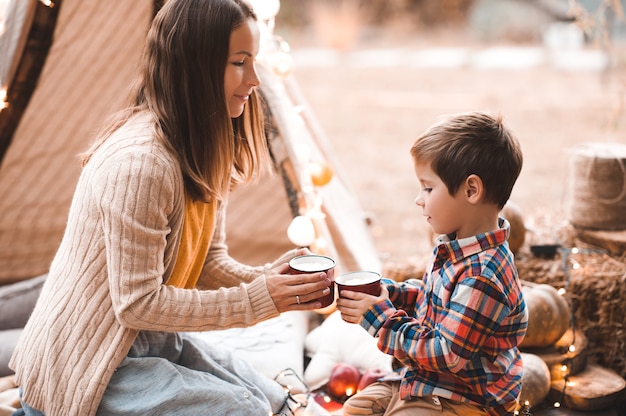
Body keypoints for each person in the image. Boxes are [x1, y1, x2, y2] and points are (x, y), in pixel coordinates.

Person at [8, 0, 333, 415]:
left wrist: (271, 281)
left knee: (274, 401)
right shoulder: (142, 164)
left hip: (146, 341)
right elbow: (138, 303)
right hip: (90, 365)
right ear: (195, 67)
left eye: (255, 62)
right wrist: (256, 300)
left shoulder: (200, 148)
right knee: (243, 410)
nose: (254, 80)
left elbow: (208, 261)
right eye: (239, 63)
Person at [336, 111, 528, 416]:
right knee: (355, 408)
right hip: (431, 382)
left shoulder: (484, 274)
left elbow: (447, 353)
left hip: (467, 400)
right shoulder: (456, 247)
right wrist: (391, 294)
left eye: (428, 187)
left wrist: (381, 319)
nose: (419, 199)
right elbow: (433, 301)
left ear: (471, 190)